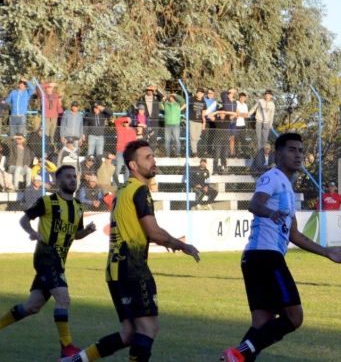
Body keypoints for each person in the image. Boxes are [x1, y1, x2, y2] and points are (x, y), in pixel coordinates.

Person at [63, 140, 200, 362]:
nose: (153, 161)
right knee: (148, 328)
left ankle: (76, 360)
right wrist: (182, 245)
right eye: (147, 157)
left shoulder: (123, 190)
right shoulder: (140, 190)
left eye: (153, 156)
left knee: (128, 334)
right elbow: (153, 232)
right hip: (133, 268)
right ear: (133, 166)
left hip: (115, 269)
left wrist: (171, 240)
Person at [221, 133, 341, 361]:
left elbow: (295, 235)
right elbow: (255, 203)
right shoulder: (272, 178)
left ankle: (234, 358)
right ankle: (238, 354)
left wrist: (327, 252)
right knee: (293, 317)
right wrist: (270, 212)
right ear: (278, 153)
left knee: (262, 324)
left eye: (301, 150)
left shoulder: (288, 189)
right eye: (292, 150)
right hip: (266, 258)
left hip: (255, 258)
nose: (298, 155)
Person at [0, 165, 96, 357]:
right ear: (59, 181)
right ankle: (67, 347)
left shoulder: (78, 206)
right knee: (63, 298)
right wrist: (32, 233)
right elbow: (24, 220)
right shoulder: (48, 202)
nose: (72, 180)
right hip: (46, 256)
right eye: (67, 177)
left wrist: (86, 231)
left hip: (59, 260)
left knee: (32, 306)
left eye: (74, 177)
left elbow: (75, 234)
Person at [162, 92, 186, 157]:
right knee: (167, 140)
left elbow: (183, 100)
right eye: (170, 97)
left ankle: (177, 154)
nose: (171, 98)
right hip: (167, 125)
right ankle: (167, 154)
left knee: (177, 140)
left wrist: (175, 94)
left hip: (176, 125)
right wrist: (166, 96)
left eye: (173, 98)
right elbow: (162, 102)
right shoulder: (166, 104)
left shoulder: (178, 104)